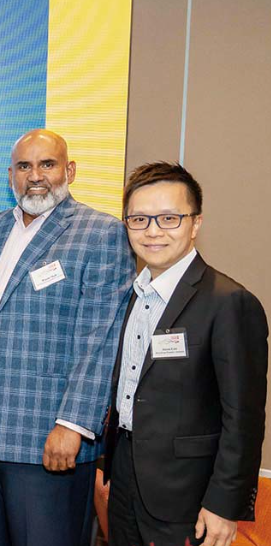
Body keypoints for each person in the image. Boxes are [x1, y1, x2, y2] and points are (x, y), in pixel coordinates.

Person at [0, 129, 136, 546]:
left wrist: (73, 424)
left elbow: (101, 339)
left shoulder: (101, 233)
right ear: (10, 176)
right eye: (24, 166)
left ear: (69, 170)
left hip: (46, 431)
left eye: (47, 164)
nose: (35, 175)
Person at [103, 162, 268, 546]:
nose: (153, 231)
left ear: (195, 224)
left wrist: (224, 505)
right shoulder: (135, 294)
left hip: (188, 495)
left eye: (169, 218)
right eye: (139, 219)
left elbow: (243, 418)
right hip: (125, 477)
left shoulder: (229, 302)